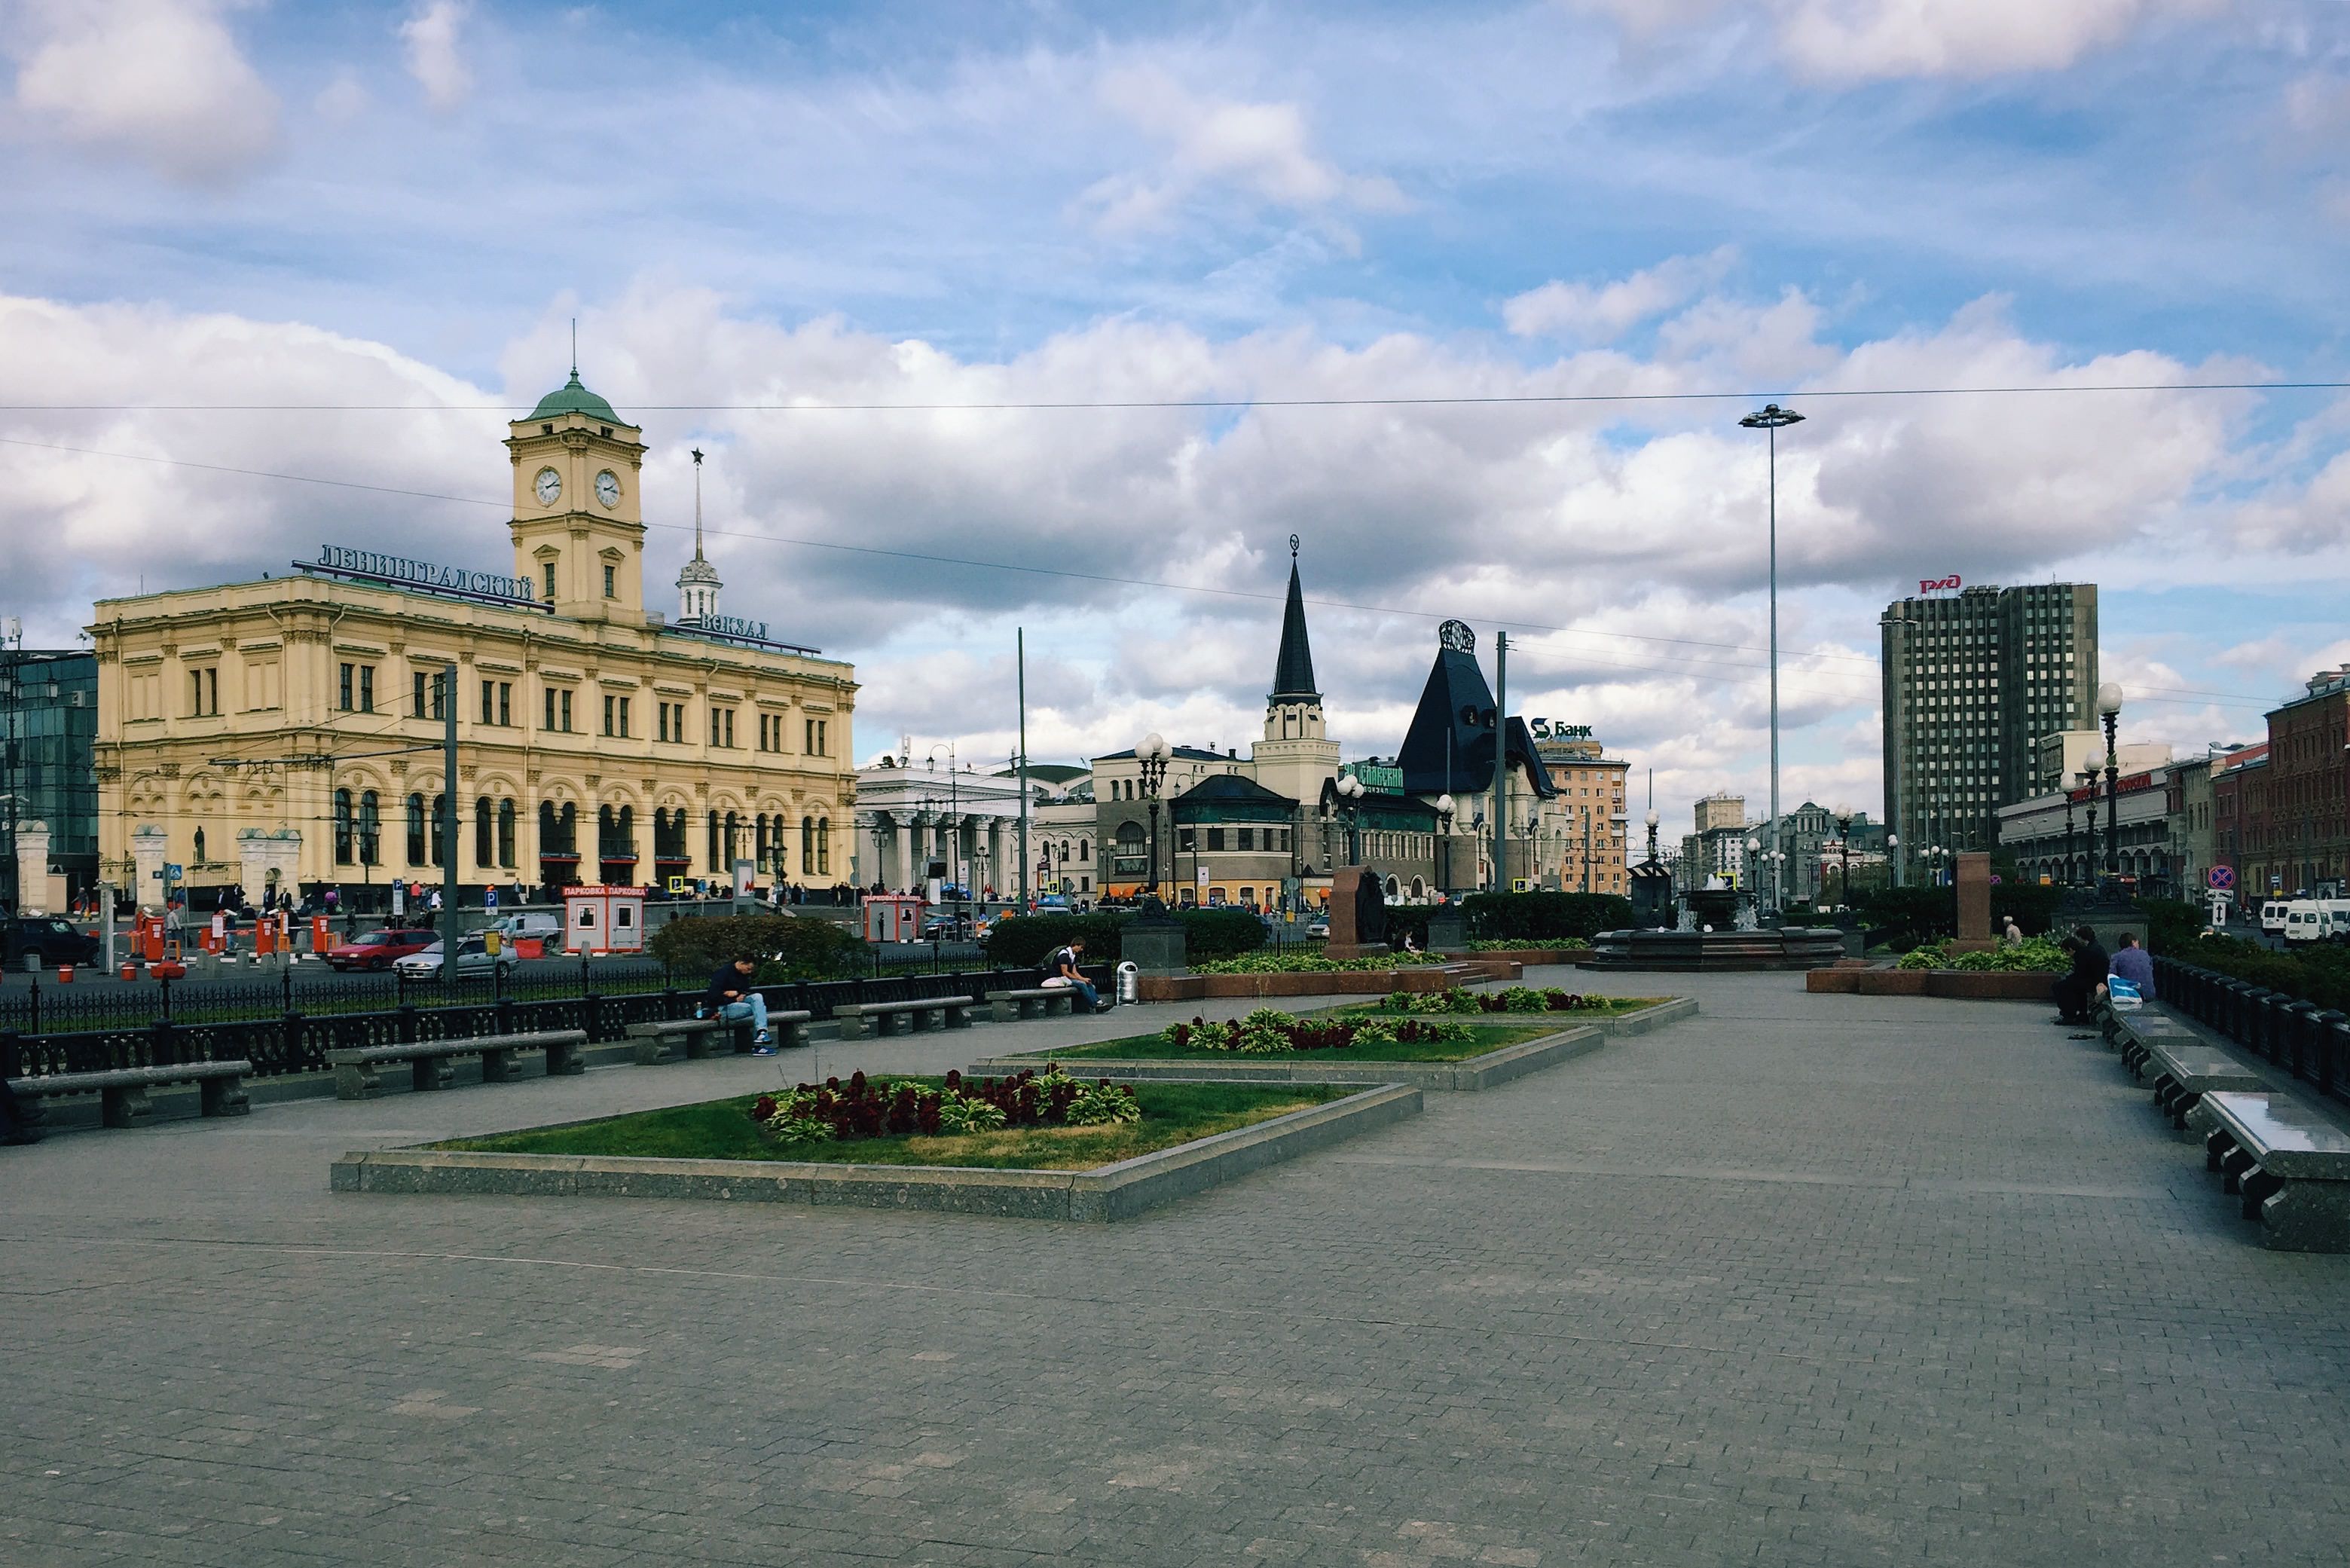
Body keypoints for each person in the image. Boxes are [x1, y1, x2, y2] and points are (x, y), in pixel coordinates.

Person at [704, 955, 774, 1052]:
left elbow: (745, 989)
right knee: (759, 1009)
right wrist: (732, 998)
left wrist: (738, 993)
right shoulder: (723, 973)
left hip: (740, 1004)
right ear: (741, 963)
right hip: (724, 1008)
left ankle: (761, 1032)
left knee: (757, 997)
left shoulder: (744, 975)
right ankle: (758, 1046)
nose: (749, 972)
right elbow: (712, 997)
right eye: (748, 968)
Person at [2053, 924, 2108, 1025]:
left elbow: (2081, 973)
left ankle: (2069, 1015)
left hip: (2095, 982)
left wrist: (2069, 979)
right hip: (2098, 980)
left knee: (2061, 986)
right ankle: (2080, 1014)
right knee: (2073, 985)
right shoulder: (2097, 947)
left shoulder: (2087, 951)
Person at [1047, 936, 1103, 1013]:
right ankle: (1093, 1004)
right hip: (1059, 978)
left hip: (1066, 978)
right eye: (1081, 947)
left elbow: (1074, 972)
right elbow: (1065, 972)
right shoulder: (1064, 955)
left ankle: (1098, 1001)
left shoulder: (1073, 956)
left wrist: (1083, 979)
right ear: (1076, 945)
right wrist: (1081, 980)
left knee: (1088, 983)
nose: (1081, 950)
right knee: (1082, 984)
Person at [2109, 931, 2156, 1003]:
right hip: (2149, 994)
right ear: (2133, 942)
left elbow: (2112, 977)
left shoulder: (2117, 957)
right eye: (2138, 942)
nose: (2138, 945)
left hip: (2129, 994)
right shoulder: (2145, 955)